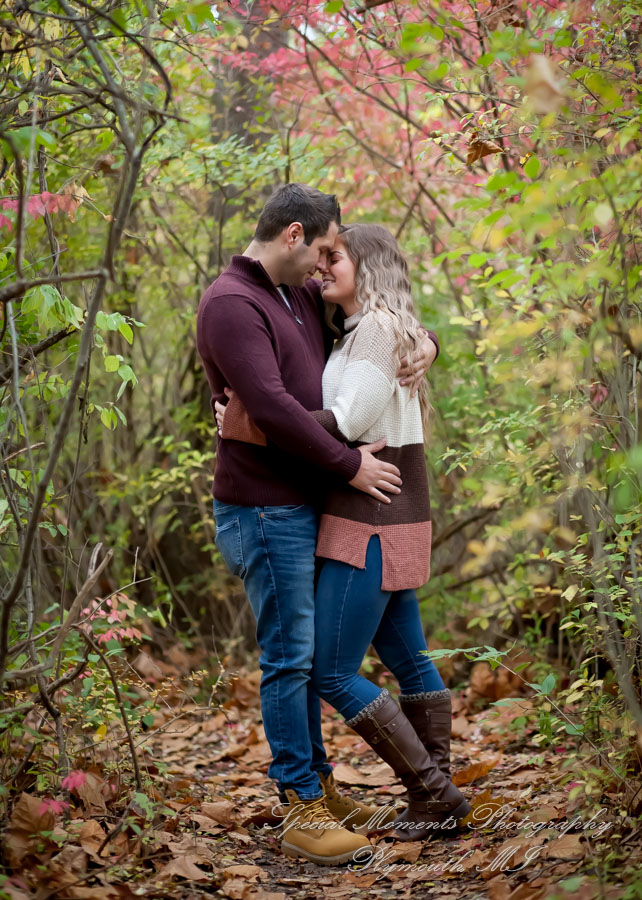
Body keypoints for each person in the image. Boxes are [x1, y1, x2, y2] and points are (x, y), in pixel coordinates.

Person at [196, 184, 439, 865]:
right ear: (295, 235)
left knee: (304, 659)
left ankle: (321, 788)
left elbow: (376, 321)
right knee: (289, 657)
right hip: (261, 507)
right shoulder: (231, 304)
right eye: (325, 249)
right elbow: (274, 409)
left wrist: (428, 341)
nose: (327, 264)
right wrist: (350, 465)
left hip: (302, 504)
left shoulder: (295, 294)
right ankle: (300, 804)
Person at [307, 224, 471, 840]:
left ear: (368, 268)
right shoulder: (365, 329)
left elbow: (350, 419)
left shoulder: (374, 329)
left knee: (330, 671)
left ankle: (433, 793)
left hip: (369, 524)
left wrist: (257, 420)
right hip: (390, 520)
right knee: (408, 661)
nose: (323, 266)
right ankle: (438, 802)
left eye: (335, 257)